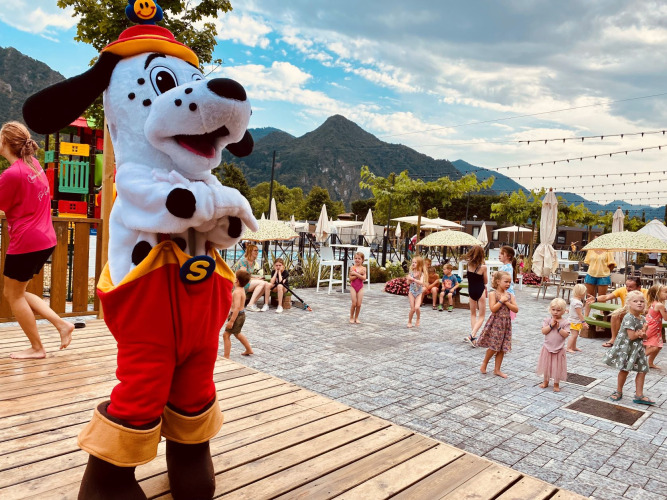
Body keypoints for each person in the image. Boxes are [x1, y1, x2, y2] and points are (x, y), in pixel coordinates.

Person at [0, 121, 74, 359]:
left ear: (5, 143)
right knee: (17, 291)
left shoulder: (12, 174)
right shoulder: (33, 164)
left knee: (13, 294)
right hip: (44, 238)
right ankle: (63, 325)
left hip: (26, 241)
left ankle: (37, 348)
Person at [604, 291, 655, 405]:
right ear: (628, 303)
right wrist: (641, 333)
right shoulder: (629, 317)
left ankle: (639, 395)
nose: (639, 303)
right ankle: (619, 391)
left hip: (638, 349)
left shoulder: (642, 319)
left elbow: (644, 336)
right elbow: (632, 336)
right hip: (627, 349)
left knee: (642, 370)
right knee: (624, 370)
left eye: (641, 301)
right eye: (635, 301)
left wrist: (644, 332)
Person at [477, 271, 518, 378]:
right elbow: (493, 309)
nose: (508, 284)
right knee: (494, 346)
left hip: (506, 324)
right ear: (498, 281)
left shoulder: (510, 295)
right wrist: (501, 301)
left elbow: (516, 309)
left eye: (509, 282)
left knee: (502, 348)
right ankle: (484, 363)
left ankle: (497, 370)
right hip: (496, 323)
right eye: (506, 282)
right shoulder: (493, 294)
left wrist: (507, 302)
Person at [595, 277, 648, 347]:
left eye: (631, 287)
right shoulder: (622, 290)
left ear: (639, 287)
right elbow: (606, 297)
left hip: (642, 315)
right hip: (629, 314)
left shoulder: (646, 293)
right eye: (627, 286)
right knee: (615, 315)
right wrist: (595, 299)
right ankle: (613, 339)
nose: (628, 289)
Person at [538, 298, 570, 392]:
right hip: (547, 347)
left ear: (564, 311)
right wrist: (551, 325)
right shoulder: (547, 320)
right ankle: (545, 381)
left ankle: (556, 383)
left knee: (557, 367)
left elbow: (566, 334)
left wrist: (559, 328)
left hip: (559, 348)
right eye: (553, 310)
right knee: (546, 365)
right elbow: (544, 331)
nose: (555, 312)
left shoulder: (565, 322)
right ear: (550, 309)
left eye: (558, 310)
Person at [223, 270, 253, 358]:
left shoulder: (237, 292)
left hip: (237, 316)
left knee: (226, 335)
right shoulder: (241, 289)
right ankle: (249, 349)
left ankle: (226, 357)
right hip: (240, 315)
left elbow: (236, 307)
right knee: (237, 333)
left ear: (236, 280)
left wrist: (231, 321)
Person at [463, 246, 487, 345]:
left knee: (473, 314)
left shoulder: (468, 265)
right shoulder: (483, 267)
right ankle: (472, 335)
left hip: (471, 290)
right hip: (480, 290)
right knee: (481, 316)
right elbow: (486, 281)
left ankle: (473, 339)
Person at [233, 243, 268, 312]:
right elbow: (243, 276)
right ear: (250, 251)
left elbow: (248, 274)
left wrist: (256, 278)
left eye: (257, 250)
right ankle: (250, 305)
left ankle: (252, 303)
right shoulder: (244, 261)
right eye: (255, 250)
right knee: (262, 283)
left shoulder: (253, 262)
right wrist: (255, 279)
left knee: (265, 284)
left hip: (247, 282)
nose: (257, 252)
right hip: (241, 284)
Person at [583, 248, 615, 317]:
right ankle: (585, 317)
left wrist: (606, 271)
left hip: (603, 276)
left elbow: (612, 264)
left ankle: (602, 316)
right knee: (589, 297)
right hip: (591, 274)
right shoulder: (591, 250)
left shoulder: (608, 250)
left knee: (602, 297)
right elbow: (588, 262)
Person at [644, 284, 666, 369]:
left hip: (654, 328)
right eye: (666, 292)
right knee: (655, 347)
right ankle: (638, 359)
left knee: (658, 346)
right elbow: (666, 318)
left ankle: (650, 362)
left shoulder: (653, 303)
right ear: (657, 293)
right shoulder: (660, 305)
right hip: (653, 329)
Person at [567, 284, 588, 353]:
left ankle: (573, 347)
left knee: (576, 335)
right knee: (574, 335)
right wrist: (583, 322)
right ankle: (568, 347)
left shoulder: (573, 300)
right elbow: (579, 314)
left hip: (573, 320)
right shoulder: (578, 303)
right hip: (574, 321)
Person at [406, 256, 425, 328]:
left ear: (419, 264)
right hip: (411, 292)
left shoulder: (421, 274)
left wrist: (413, 279)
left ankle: (418, 318)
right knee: (412, 309)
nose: (413, 264)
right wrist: (409, 279)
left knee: (417, 307)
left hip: (418, 292)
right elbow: (408, 282)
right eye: (413, 262)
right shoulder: (411, 273)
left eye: (415, 262)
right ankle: (409, 321)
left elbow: (421, 283)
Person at [349, 252, 367, 324]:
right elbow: (351, 278)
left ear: (362, 260)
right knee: (354, 303)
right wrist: (359, 274)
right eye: (356, 258)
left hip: (360, 287)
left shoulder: (364, 268)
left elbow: (364, 278)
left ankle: (356, 317)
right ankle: (351, 317)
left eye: (359, 258)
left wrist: (355, 273)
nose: (357, 260)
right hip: (353, 287)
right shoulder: (352, 268)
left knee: (359, 304)